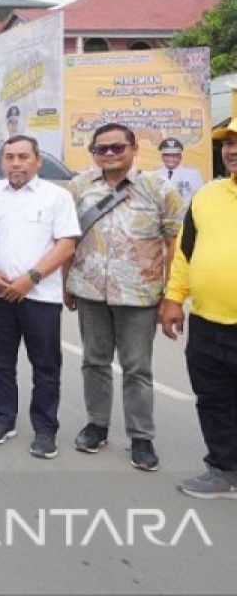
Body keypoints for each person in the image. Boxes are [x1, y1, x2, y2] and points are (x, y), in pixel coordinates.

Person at [65, 122, 184, 472]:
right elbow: (67, 239)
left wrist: (171, 297)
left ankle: (141, 437)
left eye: (118, 147)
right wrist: (65, 284)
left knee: (137, 369)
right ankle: (97, 425)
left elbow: (174, 245)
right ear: (94, 153)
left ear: (133, 149)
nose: (110, 154)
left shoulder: (159, 190)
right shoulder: (79, 187)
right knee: (94, 361)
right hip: (90, 291)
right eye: (102, 149)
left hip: (140, 295)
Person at [0, 136, 80, 459]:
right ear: (2, 162)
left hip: (40, 297)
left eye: (24, 157)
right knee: (0, 362)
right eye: (10, 157)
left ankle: (45, 429)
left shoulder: (57, 197)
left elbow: (66, 245)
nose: (16, 163)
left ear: (38, 161)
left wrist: (30, 279)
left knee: (46, 366)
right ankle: (4, 419)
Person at [159, 118, 237, 498]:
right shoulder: (206, 195)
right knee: (214, 399)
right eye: (228, 142)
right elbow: (186, 254)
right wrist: (174, 298)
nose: (232, 150)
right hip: (207, 322)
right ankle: (223, 470)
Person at [150, 137, 204, 203]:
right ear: (162, 157)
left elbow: (200, 198)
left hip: (185, 213)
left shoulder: (192, 175)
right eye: (167, 155)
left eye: (174, 155)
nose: (171, 159)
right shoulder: (154, 176)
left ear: (180, 157)